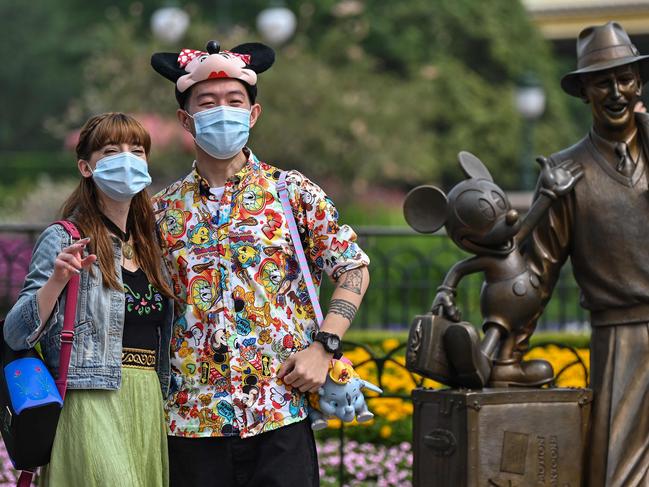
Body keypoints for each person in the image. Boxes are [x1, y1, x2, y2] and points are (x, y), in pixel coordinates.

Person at [150, 40, 371, 486]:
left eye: (235, 101)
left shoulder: (292, 193)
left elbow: (352, 267)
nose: (223, 110)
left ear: (253, 114)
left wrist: (324, 345)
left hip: (281, 413)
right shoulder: (158, 212)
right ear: (186, 120)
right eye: (208, 103)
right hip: (190, 421)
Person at [3, 112, 174, 486]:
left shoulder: (151, 245)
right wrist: (56, 280)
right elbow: (15, 334)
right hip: (89, 397)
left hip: (145, 397)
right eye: (111, 151)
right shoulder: (64, 237)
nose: (127, 158)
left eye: (137, 150)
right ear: (85, 166)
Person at [521, 22, 649, 486]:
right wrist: (503, 349)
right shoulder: (565, 172)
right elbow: (537, 273)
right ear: (584, 92)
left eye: (625, 79)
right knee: (618, 473)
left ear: (638, 83)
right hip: (622, 339)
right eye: (602, 81)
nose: (616, 92)